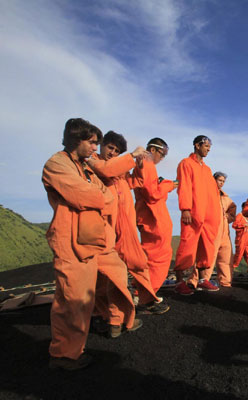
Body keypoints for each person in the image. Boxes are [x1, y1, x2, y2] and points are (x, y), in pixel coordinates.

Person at [42, 118, 141, 370]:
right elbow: (84, 195)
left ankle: (116, 321)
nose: (97, 148)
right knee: (73, 300)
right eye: (93, 143)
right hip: (70, 242)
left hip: (95, 239)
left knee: (117, 275)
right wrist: (98, 197)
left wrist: (98, 197)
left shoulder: (86, 168)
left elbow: (107, 198)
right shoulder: (56, 164)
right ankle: (65, 355)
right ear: (77, 139)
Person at [88, 131, 169, 316]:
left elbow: (137, 181)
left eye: (116, 150)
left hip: (126, 221)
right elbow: (106, 170)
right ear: (102, 145)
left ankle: (145, 300)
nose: (112, 152)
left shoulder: (120, 168)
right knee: (105, 269)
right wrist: (132, 157)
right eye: (110, 147)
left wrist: (140, 165)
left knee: (137, 261)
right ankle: (106, 313)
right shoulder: (94, 161)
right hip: (106, 222)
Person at [173, 135, 222, 294]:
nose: (208, 148)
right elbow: (184, 186)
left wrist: (215, 213)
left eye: (209, 146)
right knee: (187, 245)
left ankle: (202, 280)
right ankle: (179, 282)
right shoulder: (186, 164)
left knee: (206, 246)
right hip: (193, 212)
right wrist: (185, 208)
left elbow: (213, 193)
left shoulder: (207, 170)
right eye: (206, 145)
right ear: (196, 145)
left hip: (208, 215)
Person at [133, 138, 177, 295]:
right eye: (162, 153)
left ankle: (142, 291)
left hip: (151, 217)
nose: (163, 158)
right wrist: (168, 185)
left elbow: (150, 190)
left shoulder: (145, 165)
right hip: (152, 219)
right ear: (152, 150)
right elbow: (152, 195)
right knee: (158, 259)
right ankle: (145, 295)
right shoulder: (146, 163)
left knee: (151, 257)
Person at [208, 171, 237, 287]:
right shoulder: (208, 193)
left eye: (223, 181)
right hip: (212, 229)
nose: (222, 183)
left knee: (226, 258)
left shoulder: (226, 197)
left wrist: (227, 217)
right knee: (208, 256)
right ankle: (198, 281)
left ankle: (225, 282)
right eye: (220, 180)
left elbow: (232, 212)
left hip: (225, 232)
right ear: (213, 180)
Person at [232, 204, 248, 276]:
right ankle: (232, 268)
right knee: (239, 254)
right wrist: (243, 225)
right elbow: (234, 225)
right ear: (243, 208)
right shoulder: (239, 215)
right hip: (241, 238)